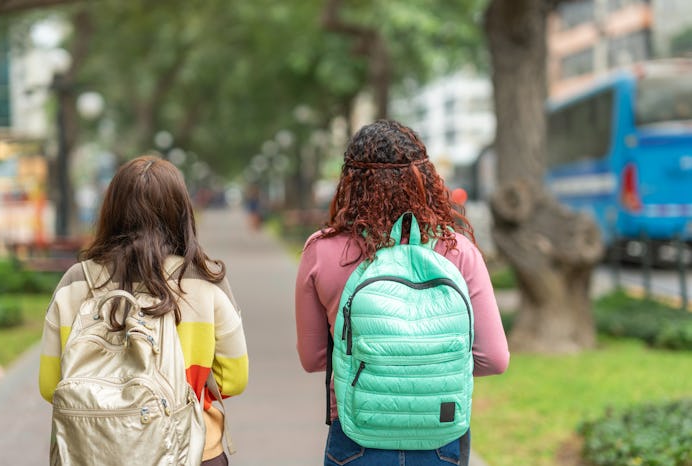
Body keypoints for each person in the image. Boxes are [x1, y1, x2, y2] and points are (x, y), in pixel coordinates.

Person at [295, 120, 510, 465]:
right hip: (440, 434)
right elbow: (495, 359)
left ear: (350, 181)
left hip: (357, 430)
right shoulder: (457, 251)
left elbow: (313, 359)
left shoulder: (321, 251)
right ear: (424, 178)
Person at [39, 155, 248, 466]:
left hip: (91, 453)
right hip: (192, 450)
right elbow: (234, 379)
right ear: (181, 213)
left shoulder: (75, 282)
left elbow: (50, 385)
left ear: (111, 210)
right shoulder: (205, 280)